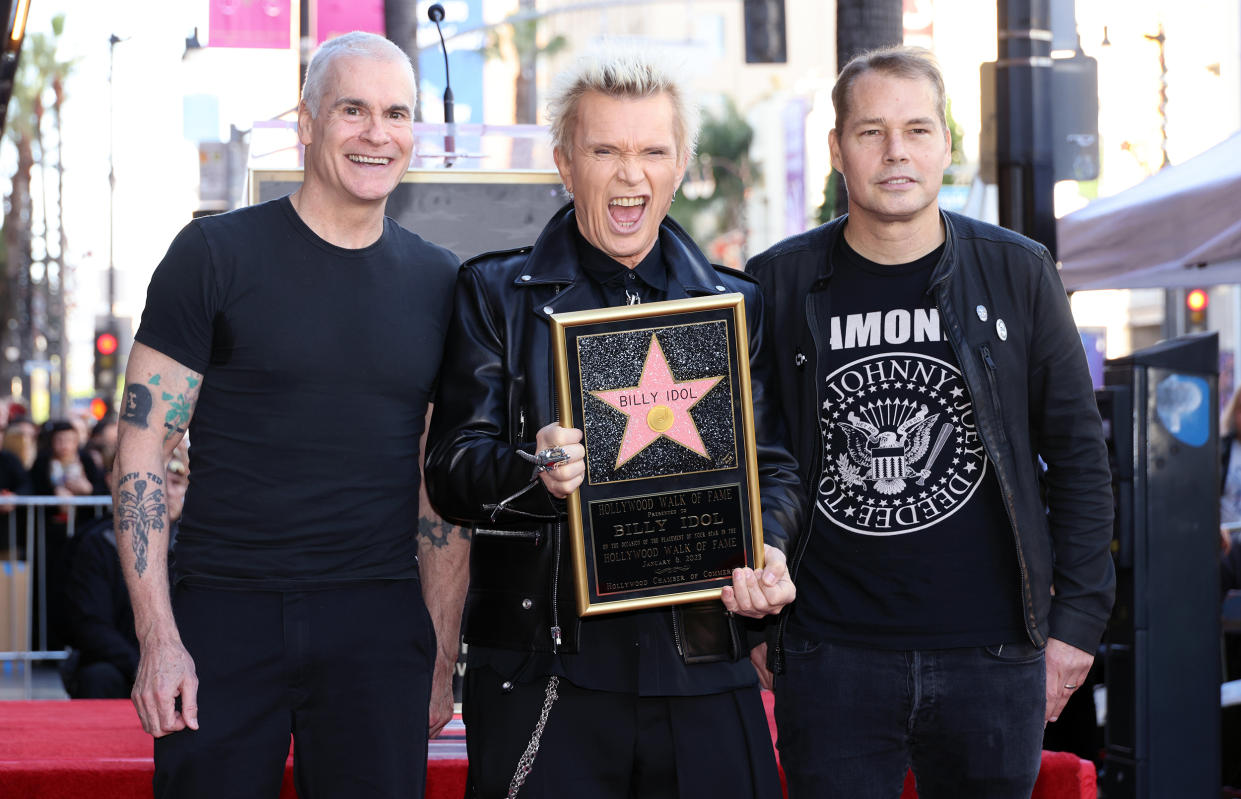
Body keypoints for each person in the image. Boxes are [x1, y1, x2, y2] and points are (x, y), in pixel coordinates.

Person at [424, 45, 803, 799]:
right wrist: (535, 473)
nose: (630, 173)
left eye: (651, 151)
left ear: (680, 164)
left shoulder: (735, 304)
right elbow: (450, 468)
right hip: (546, 667)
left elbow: (775, 466)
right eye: (605, 150)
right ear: (566, 164)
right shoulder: (494, 292)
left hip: (701, 661)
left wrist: (768, 544)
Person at [747, 46, 1116, 798]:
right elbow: (751, 459)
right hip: (829, 653)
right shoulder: (774, 283)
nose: (895, 153)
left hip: (991, 656)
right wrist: (757, 630)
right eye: (870, 131)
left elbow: (1078, 455)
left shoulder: (1018, 271)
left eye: (917, 130)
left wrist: (1076, 623)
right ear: (836, 149)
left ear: (946, 143)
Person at [113, 31, 459, 799]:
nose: (377, 133)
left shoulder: (441, 282)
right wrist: (157, 636)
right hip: (223, 618)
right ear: (306, 123)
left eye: (396, 113)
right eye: (352, 110)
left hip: (377, 620)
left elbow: (437, 489)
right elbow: (140, 449)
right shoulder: (213, 255)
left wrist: (439, 649)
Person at [63, 444, 188, 699]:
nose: (164, 492)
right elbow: (90, 625)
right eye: (155, 482)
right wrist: (142, 666)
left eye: (175, 482)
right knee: (98, 677)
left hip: (184, 665)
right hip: (120, 665)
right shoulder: (100, 543)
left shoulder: (198, 548)